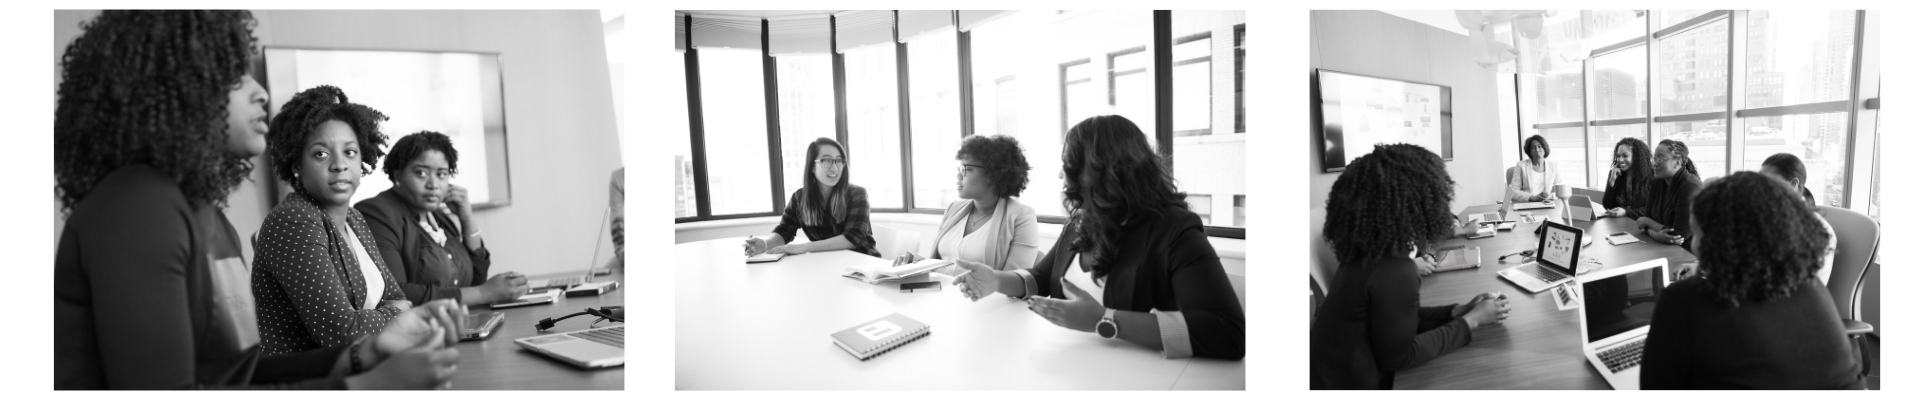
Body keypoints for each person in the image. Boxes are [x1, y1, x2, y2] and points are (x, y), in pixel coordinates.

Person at [54, 10, 459, 389]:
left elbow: (232, 374)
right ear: (170, 87)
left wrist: (364, 353)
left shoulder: (206, 215)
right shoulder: (137, 207)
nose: (261, 92)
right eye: (233, 75)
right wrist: (364, 385)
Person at [950, 115, 1245, 360]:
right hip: (1073, 368)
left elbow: (1229, 332)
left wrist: (1104, 321)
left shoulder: (1175, 230)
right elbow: (1040, 277)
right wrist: (997, 281)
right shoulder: (1081, 219)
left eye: (1068, 163)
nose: (1060, 175)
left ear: (1098, 171)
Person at [1309, 143, 1512, 389]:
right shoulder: (1396, 270)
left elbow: (1398, 319)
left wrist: (1459, 311)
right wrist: (1473, 321)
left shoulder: (1367, 253)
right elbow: (1400, 356)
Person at [1640, 172, 1863, 389]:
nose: (1695, 244)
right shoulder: (1811, 286)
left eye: (1697, 233)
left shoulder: (1684, 299)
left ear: (1719, 240)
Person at [253, 85, 410, 356]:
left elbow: (397, 295)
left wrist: (391, 311)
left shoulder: (354, 218)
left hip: (366, 367)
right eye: (321, 154)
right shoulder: (293, 219)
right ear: (296, 166)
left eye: (350, 152)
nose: (340, 164)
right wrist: (396, 314)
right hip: (306, 382)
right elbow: (340, 333)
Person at [355, 131, 529, 306]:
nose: (433, 184)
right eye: (421, 173)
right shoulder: (377, 213)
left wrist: (466, 218)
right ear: (399, 176)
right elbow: (397, 293)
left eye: (442, 174)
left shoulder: (438, 215)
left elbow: (475, 279)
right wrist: (483, 293)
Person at [891, 135, 1041, 272]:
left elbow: (1013, 282)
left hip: (983, 300)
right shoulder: (953, 208)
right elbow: (942, 262)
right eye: (959, 168)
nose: (958, 175)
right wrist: (921, 264)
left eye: (966, 169)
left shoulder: (1021, 216)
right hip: (941, 296)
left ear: (993, 174)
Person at [743, 138, 878, 257]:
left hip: (862, 265)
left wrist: (804, 247)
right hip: (827, 265)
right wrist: (765, 243)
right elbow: (784, 231)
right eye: (826, 160)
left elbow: (852, 239)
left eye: (838, 161)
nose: (835, 167)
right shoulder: (800, 198)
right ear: (812, 166)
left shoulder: (857, 194)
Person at [1758, 153, 1836, 284]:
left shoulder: (1816, 230)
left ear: (1793, 184)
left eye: (1769, 183)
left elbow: (1803, 285)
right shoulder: (1771, 217)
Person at [1625, 139, 1703, 249]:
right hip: (1661, 247)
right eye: (1654, 158)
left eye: (1661, 158)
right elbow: (1644, 223)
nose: (1655, 163)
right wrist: (1654, 234)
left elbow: (1678, 235)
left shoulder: (1690, 187)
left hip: (1689, 253)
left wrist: (1649, 223)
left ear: (1677, 162)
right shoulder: (1658, 181)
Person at [1600, 137, 1654, 217]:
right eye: (1618, 156)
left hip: (1641, 224)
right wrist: (1611, 182)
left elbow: (1653, 209)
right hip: (1621, 223)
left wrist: (1626, 212)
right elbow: (1608, 206)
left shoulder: (1651, 175)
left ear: (1636, 157)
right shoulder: (1616, 174)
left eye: (1625, 156)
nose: (1620, 160)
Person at [1506, 134, 1562, 204]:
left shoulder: (1554, 166)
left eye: (1539, 146)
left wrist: (1550, 196)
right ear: (1529, 151)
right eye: (1533, 147)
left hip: (1546, 204)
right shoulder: (1521, 165)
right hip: (1527, 204)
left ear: (1544, 148)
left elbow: (1561, 191)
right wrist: (1532, 198)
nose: (1537, 150)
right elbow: (1512, 191)